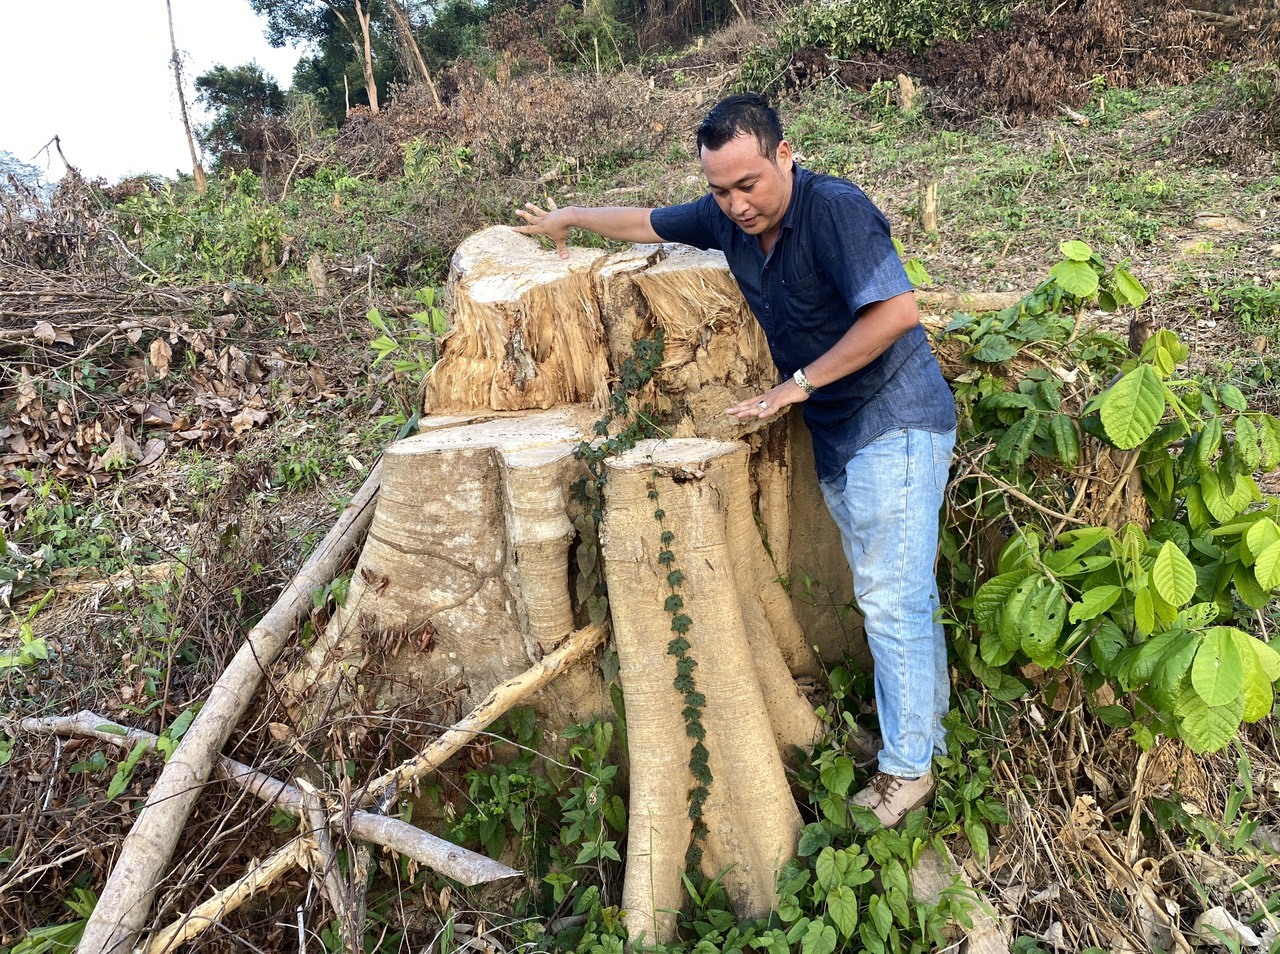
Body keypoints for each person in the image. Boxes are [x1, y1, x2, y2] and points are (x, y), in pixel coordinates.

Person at [514, 92, 957, 829]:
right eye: (720, 189)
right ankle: (927, 735)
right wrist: (570, 219)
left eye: (748, 184)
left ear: (786, 155)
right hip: (844, 432)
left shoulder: (835, 210)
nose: (736, 204)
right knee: (901, 591)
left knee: (890, 596)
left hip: (897, 422)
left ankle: (907, 774)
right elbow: (646, 221)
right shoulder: (725, 219)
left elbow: (896, 312)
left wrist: (798, 384)